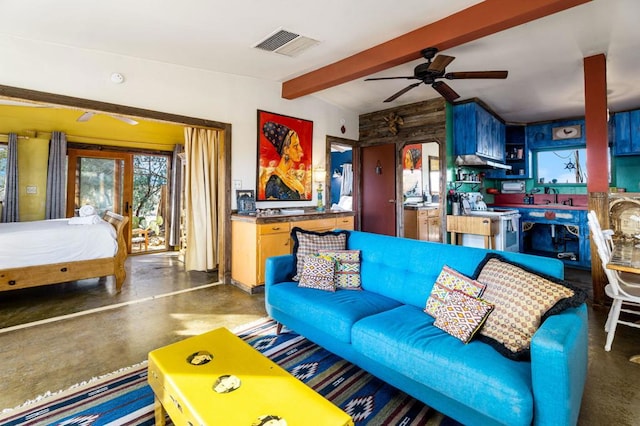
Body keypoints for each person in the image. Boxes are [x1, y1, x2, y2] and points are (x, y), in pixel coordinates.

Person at [262, 121, 306, 200]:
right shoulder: (273, 184)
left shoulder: (292, 178)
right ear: (286, 150)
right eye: (295, 146)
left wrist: (302, 191)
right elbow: (273, 210)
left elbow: (301, 206)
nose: (300, 150)